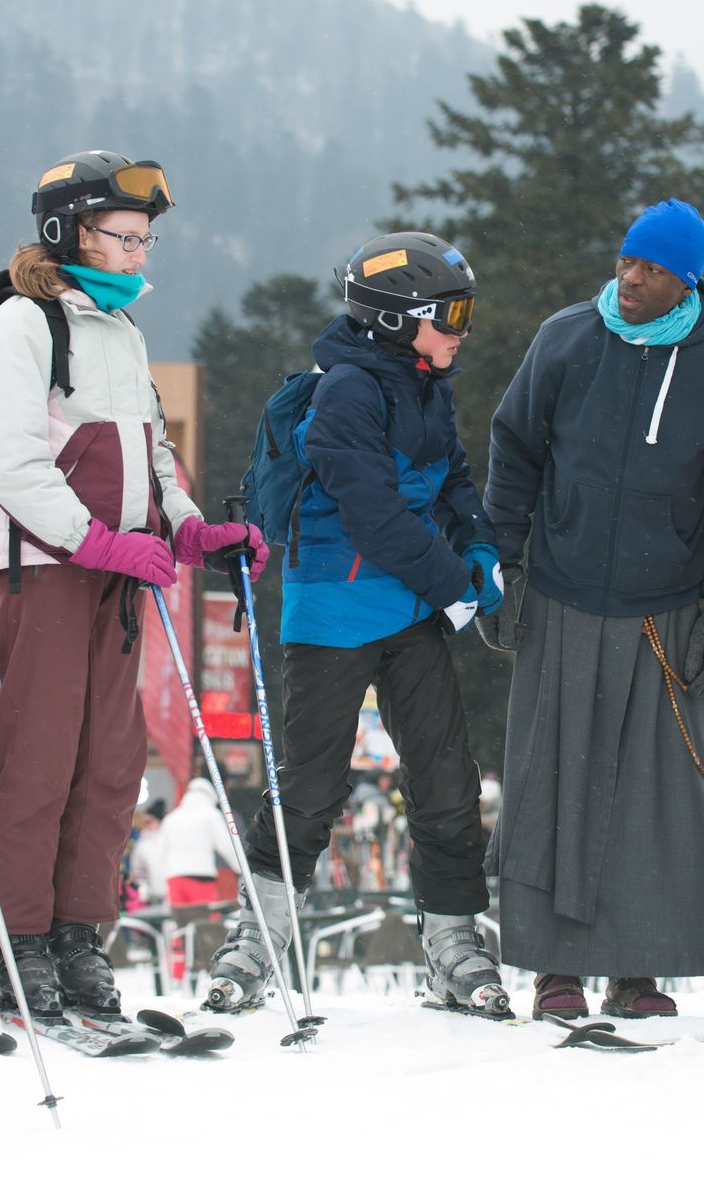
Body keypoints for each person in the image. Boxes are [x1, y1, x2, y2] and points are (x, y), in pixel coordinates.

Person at [0, 151, 264, 1021]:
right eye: (123, 237)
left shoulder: (119, 333)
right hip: (49, 567)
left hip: (117, 573)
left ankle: (79, 935)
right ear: (69, 232)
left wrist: (188, 523)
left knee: (109, 766)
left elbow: (151, 455)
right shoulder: (23, 325)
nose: (139, 255)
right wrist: (95, 542)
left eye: (145, 241)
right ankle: (18, 944)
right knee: (40, 761)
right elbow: (9, 462)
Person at [206, 231, 509, 1016]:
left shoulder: (425, 384)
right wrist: (455, 586)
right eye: (450, 315)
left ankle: (453, 940)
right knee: (310, 785)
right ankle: (259, 936)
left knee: (446, 780)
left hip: (408, 610)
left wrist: (477, 544)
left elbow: (455, 480)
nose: (462, 330)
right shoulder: (347, 390)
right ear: (395, 320)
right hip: (335, 613)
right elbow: (371, 511)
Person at [483, 199, 704, 1019]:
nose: (631, 280)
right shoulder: (565, 338)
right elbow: (515, 450)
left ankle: (638, 972)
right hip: (563, 597)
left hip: (667, 610)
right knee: (551, 786)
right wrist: (504, 563)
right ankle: (554, 970)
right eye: (625, 262)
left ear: (687, 280)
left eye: (651, 269)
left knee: (656, 796)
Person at [157, 777, 236, 907]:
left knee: (180, 923)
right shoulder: (211, 815)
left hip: (174, 878)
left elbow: (160, 852)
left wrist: (160, 884)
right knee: (204, 923)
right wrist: (243, 871)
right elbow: (226, 847)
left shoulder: (171, 818)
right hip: (201, 877)